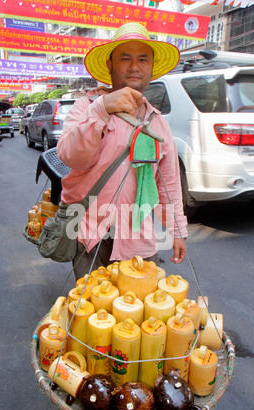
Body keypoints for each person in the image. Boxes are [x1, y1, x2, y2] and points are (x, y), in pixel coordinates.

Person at [57, 22, 188, 280]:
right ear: (109, 65)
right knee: (94, 313)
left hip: (137, 234)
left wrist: (177, 230)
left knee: (141, 313)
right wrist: (102, 108)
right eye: (124, 58)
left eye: (142, 59)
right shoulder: (87, 107)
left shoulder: (158, 122)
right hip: (89, 231)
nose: (134, 66)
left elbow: (168, 183)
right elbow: (70, 155)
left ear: (151, 67)